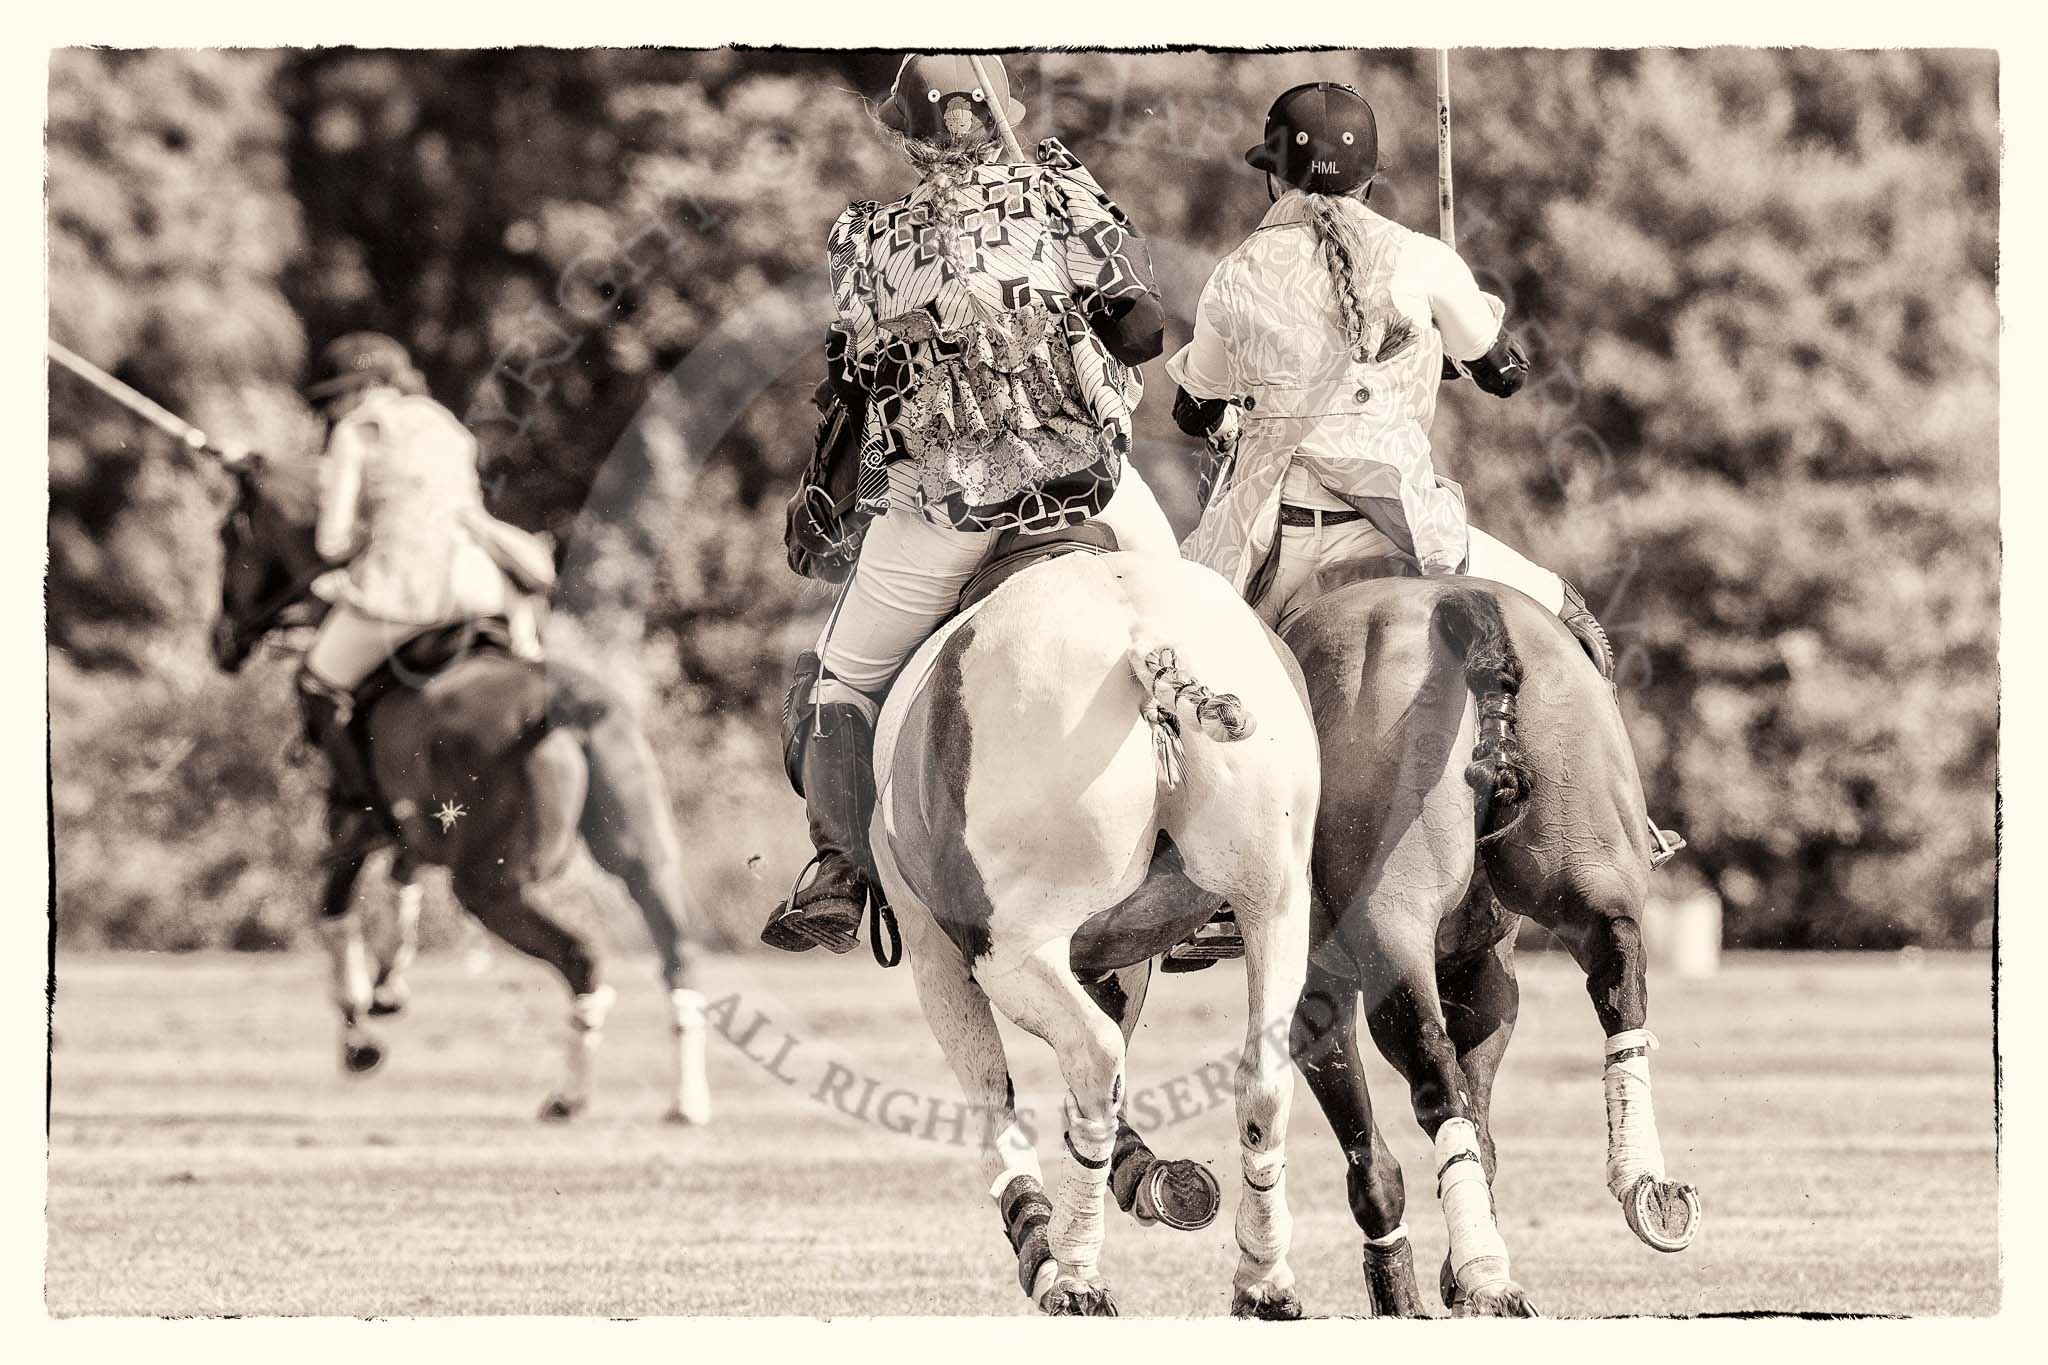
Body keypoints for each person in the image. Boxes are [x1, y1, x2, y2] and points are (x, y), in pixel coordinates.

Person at [1171, 81, 1681, 866]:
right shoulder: (1424, 258)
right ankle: (1620, 830)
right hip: (1415, 532)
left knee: (1175, 678)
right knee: (1576, 624)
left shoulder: (1233, 277)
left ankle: (1186, 869)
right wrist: (1453, 338)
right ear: (1371, 178)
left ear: (1274, 178)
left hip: (1276, 538)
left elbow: (1193, 412)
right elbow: (1506, 374)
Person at [762, 53, 1170, 953]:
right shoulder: (1062, 192)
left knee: (844, 676)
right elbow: (1141, 330)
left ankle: (838, 869)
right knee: (1197, 628)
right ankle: (1199, 850)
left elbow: (856, 384)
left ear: (906, 136)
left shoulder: (869, 237)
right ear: (998, 114)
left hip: (947, 509)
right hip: (1091, 485)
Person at [297, 332, 553, 851]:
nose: (332, 411)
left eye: (337, 397)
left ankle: (363, 810)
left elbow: (331, 541)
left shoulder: (354, 432)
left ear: (366, 388)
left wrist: (361, 540)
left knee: (314, 680)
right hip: (482, 585)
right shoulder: (446, 425)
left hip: (407, 591)